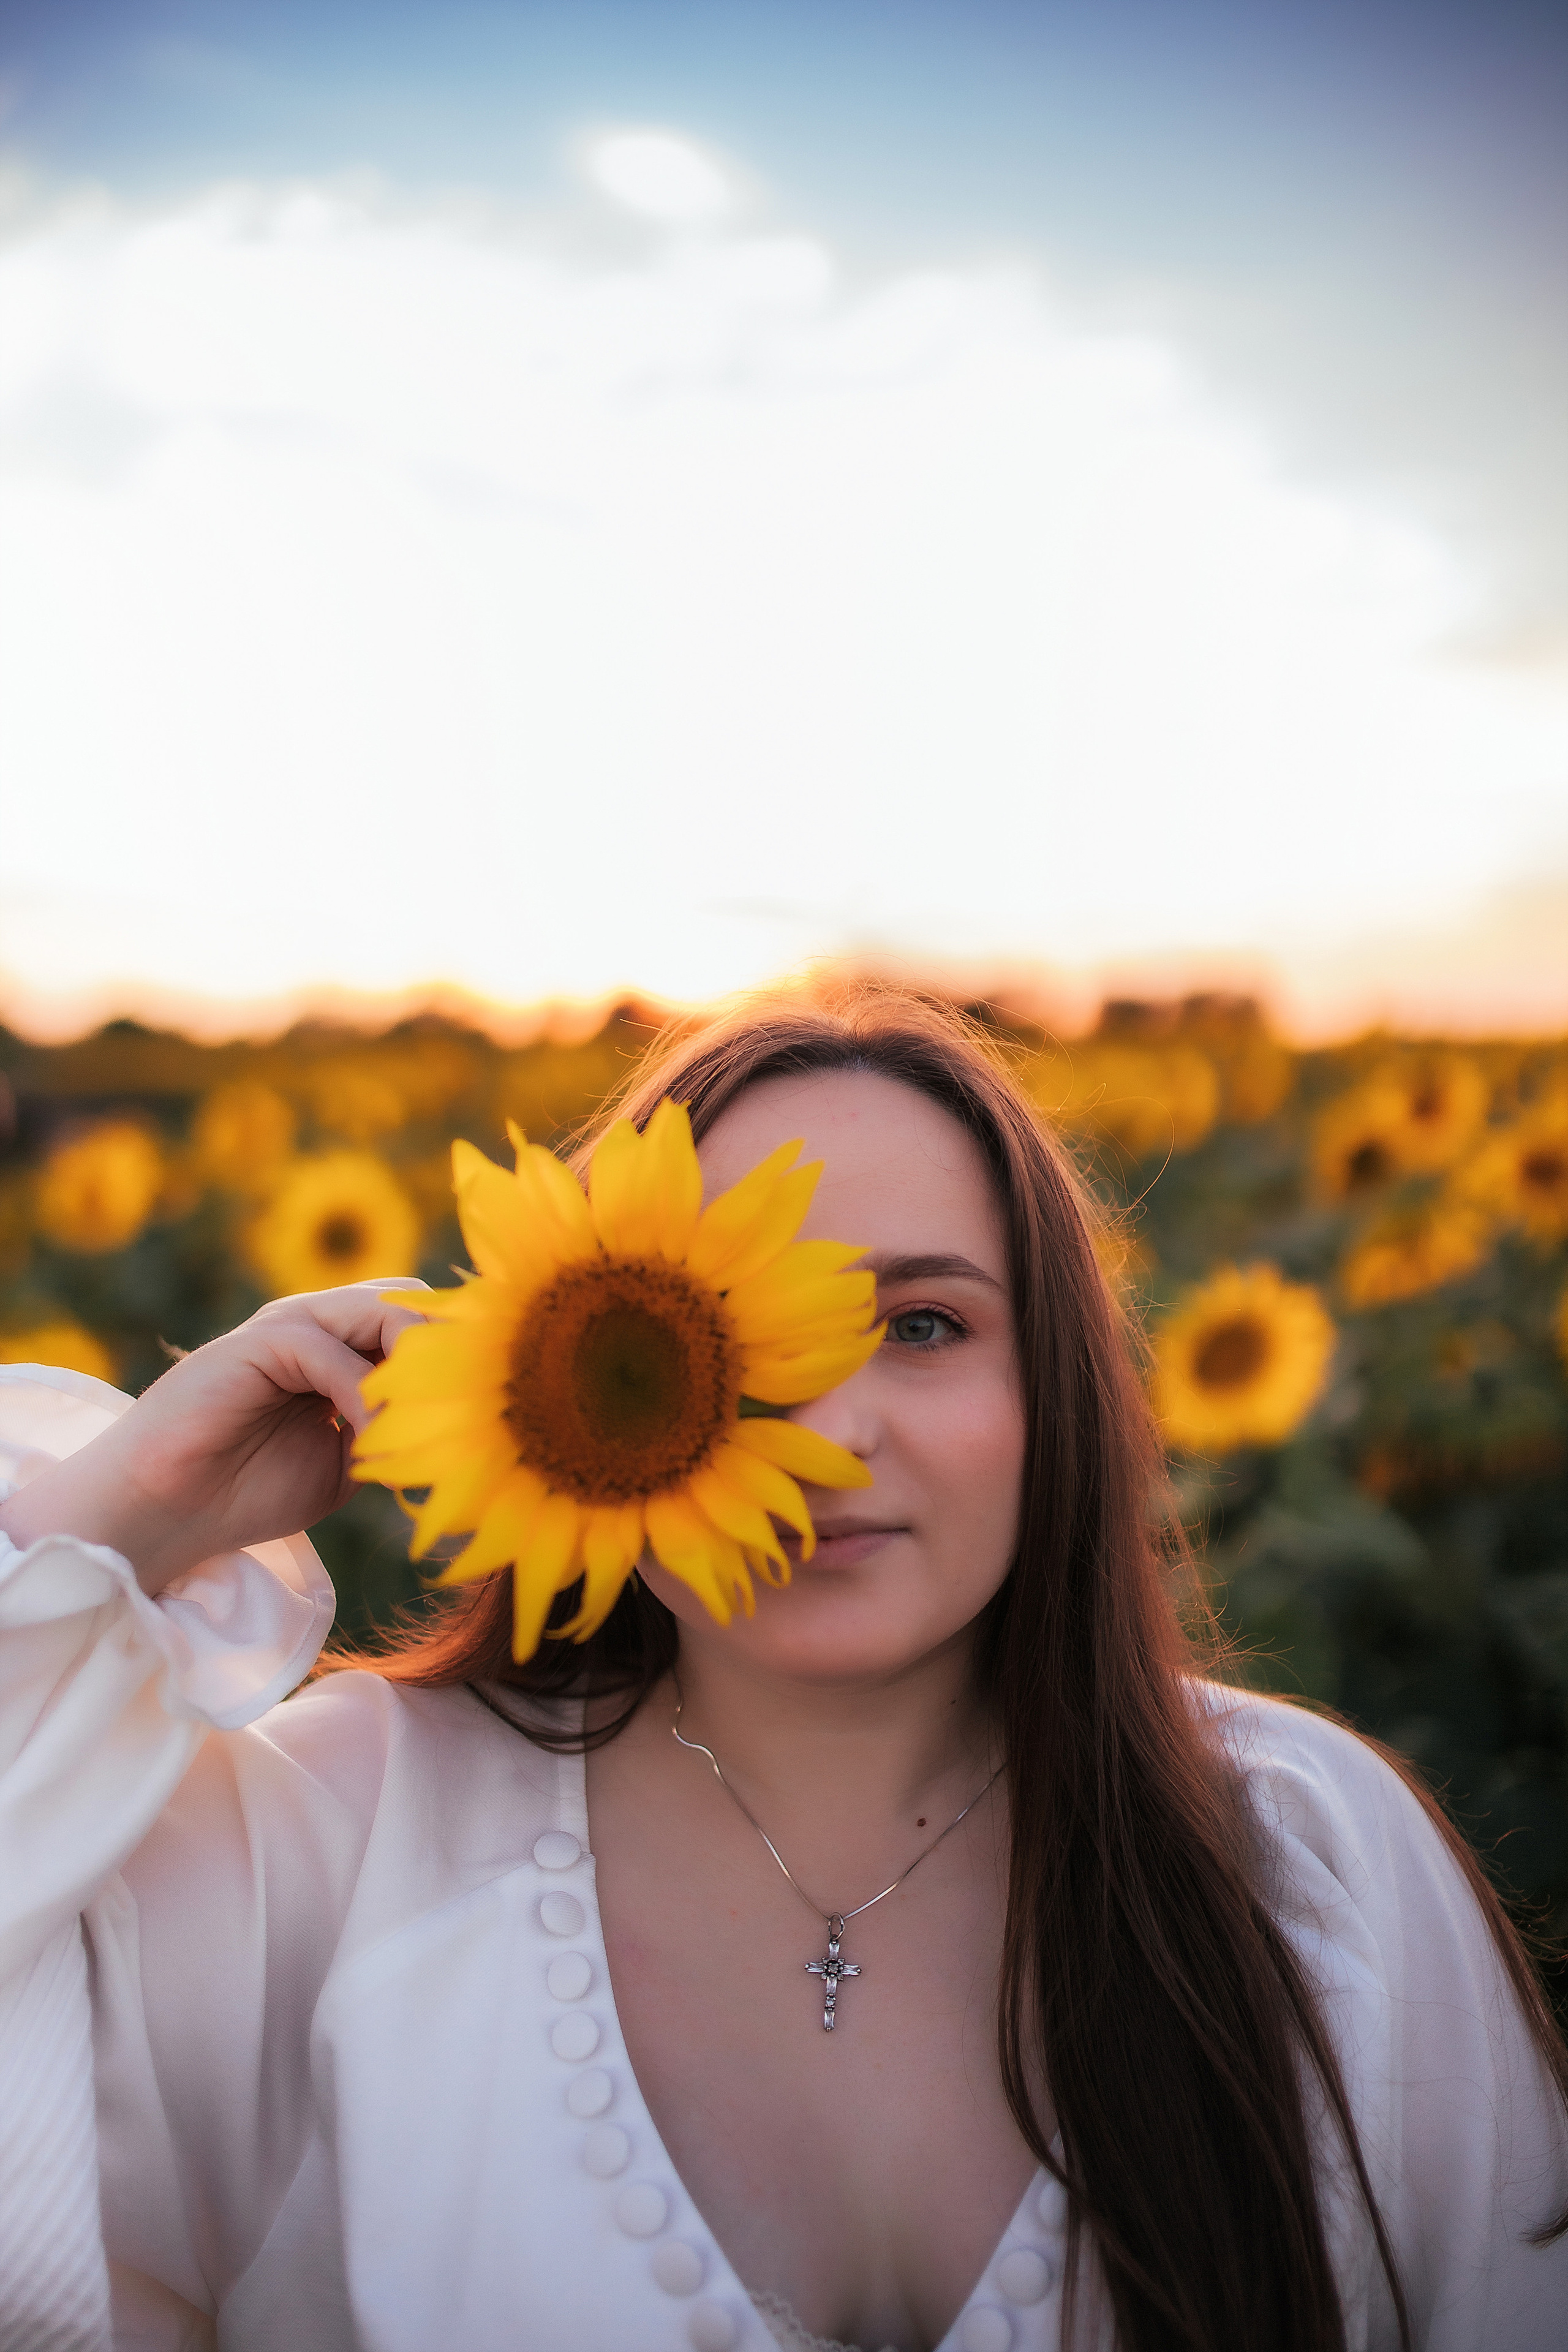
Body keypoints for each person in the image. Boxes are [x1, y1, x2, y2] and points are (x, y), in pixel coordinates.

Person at [1, 992, 1564, 2352]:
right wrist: (126, 1502)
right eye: (728, 1337)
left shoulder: (1311, 1860)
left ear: (1060, 1390)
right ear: (569, 1358)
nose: (821, 1430)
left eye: (925, 1323)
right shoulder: (330, 1847)